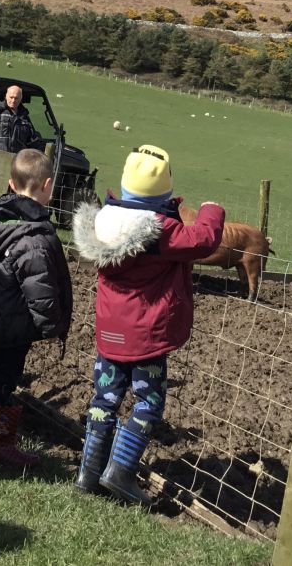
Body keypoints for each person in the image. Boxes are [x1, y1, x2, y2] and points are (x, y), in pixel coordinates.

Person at [70, 144, 224, 505]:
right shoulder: (159, 230)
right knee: (148, 403)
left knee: (105, 397)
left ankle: (88, 472)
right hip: (146, 336)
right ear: (164, 193)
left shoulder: (103, 221)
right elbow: (204, 239)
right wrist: (211, 210)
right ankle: (120, 471)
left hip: (110, 332)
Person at [0, 148, 73, 467]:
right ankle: (1, 443)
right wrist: (51, 324)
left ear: (10, 182)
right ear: (48, 185)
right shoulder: (34, 235)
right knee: (6, 380)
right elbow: (39, 289)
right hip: (11, 324)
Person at [0, 84, 42, 154]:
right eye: (11, 97)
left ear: (20, 99)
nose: (13, 100)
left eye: (16, 98)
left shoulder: (25, 118)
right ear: (6, 97)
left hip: (17, 161)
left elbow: (32, 142)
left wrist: (41, 154)